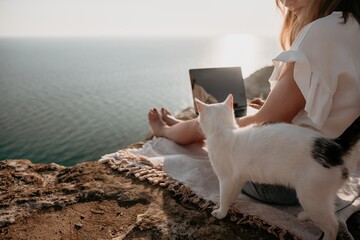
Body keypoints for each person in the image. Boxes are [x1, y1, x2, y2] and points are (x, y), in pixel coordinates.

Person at [148, 0, 360, 204]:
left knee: (210, 126)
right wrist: (271, 112)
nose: (286, 2)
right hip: (331, 174)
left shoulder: (320, 31)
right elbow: (333, 109)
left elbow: (266, 120)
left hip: (287, 185)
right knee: (240, 116)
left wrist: (261, 117)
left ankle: (165, 131)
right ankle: (177, 124)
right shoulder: (351, 26)